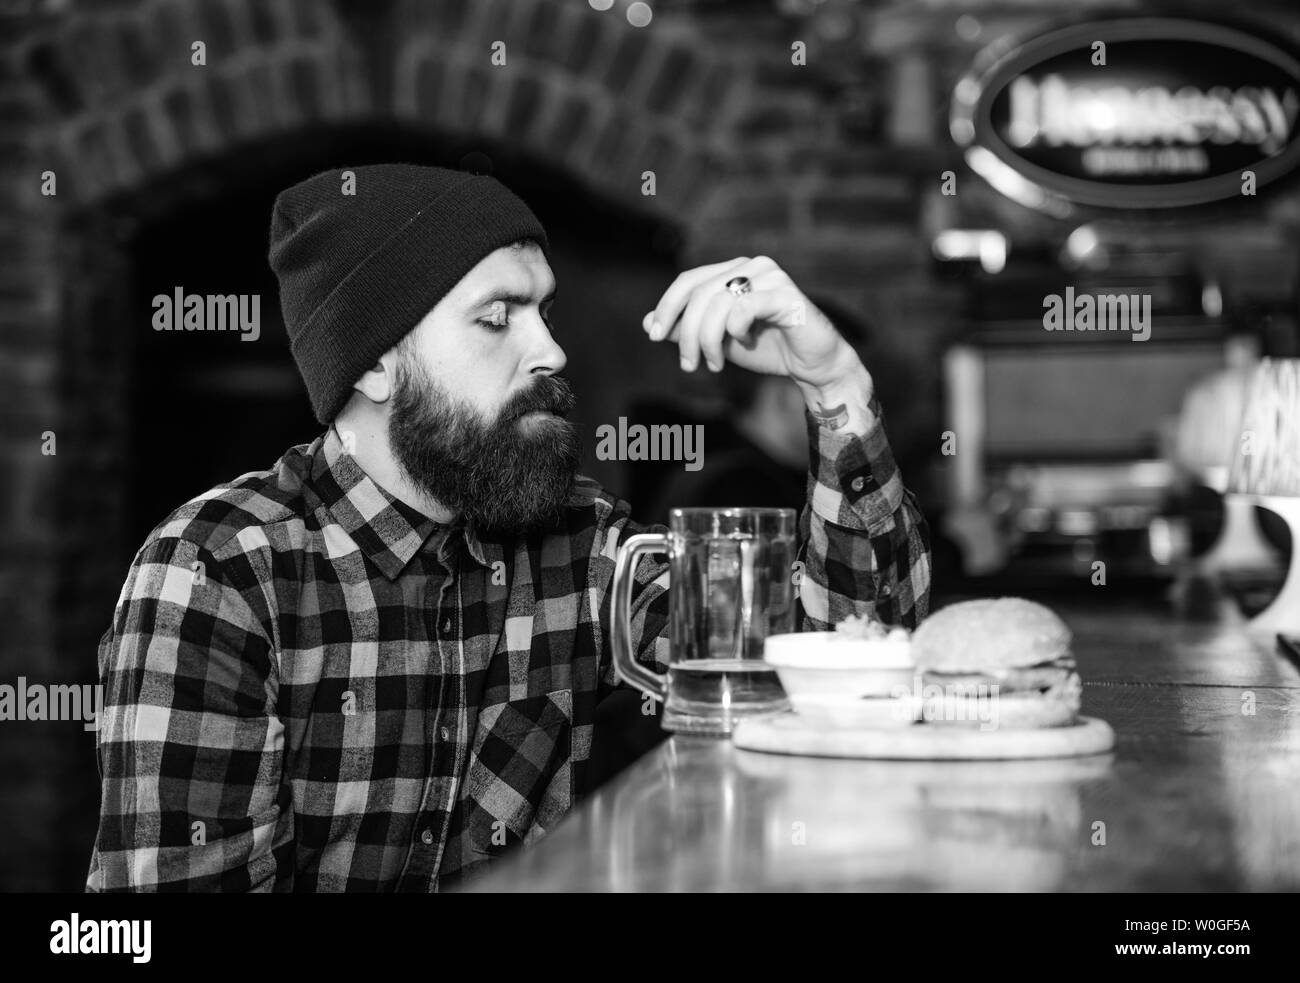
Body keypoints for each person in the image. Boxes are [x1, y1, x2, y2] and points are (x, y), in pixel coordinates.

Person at [85, 163, 931, 892]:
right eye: (499, 317)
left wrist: (833, 386)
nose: (551, 351)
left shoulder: (583, 545)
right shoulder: (220, 571)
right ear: (374, 361)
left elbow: (844, 673)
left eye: (544, 312)